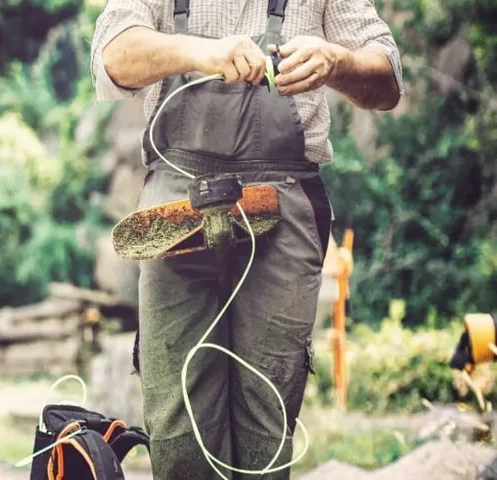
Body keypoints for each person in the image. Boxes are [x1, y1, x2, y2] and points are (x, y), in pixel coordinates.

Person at [90, 0, 402, 478]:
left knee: (268, 415)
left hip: (285, 196)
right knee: (177, 424)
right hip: (177, 200)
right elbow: (114, 55)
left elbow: (387, 79)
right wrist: (200, 53)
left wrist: (335, 61)